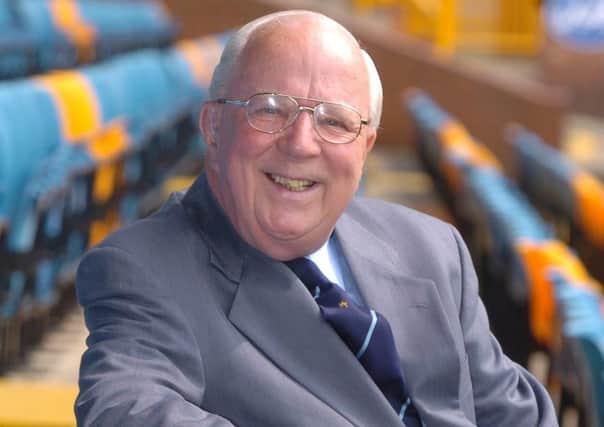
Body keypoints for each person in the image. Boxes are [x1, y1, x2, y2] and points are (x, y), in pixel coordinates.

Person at [75, 10, 558, 427]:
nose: (301, 142)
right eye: (269, 109)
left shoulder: (432, 248)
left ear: (365, 147)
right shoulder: (143, 269)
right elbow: (126, 408)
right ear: (213, 126)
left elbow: (512, 413)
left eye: (335, 120)